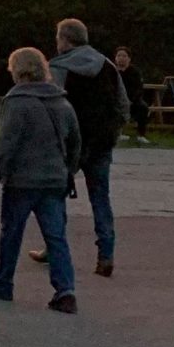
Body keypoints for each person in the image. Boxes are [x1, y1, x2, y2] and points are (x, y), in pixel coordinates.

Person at [0, 47, 83, 313]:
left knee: (11, 233)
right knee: (56, 237)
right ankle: (65, 290)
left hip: (21, 181)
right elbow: (75, 142)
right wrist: (68, 170)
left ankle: (3, 282)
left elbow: (6, 144)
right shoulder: (62, 101)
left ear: (18, 70)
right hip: (54, 180)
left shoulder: (17, 102)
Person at [47, 18, 128, 277]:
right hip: (101, 141)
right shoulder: (107, 65)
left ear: (66, 40)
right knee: (100, 198)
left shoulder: (58, 67)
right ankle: (106, 254)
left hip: (68, 143)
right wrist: (114, 132)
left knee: (54, 197)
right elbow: (122, 103)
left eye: (58, 37)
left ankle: (54, 248)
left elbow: (53, 107)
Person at [115, 45, 152, 142]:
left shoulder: (135, 72)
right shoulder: (112, 71)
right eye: (119, 55)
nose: (121, 58)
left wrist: (131, 100)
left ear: (129, 58)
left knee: (143, 107)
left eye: (124, 56)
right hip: (116, 100)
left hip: (132, 100)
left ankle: (141, 135)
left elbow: (139, 88)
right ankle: (117, 133)